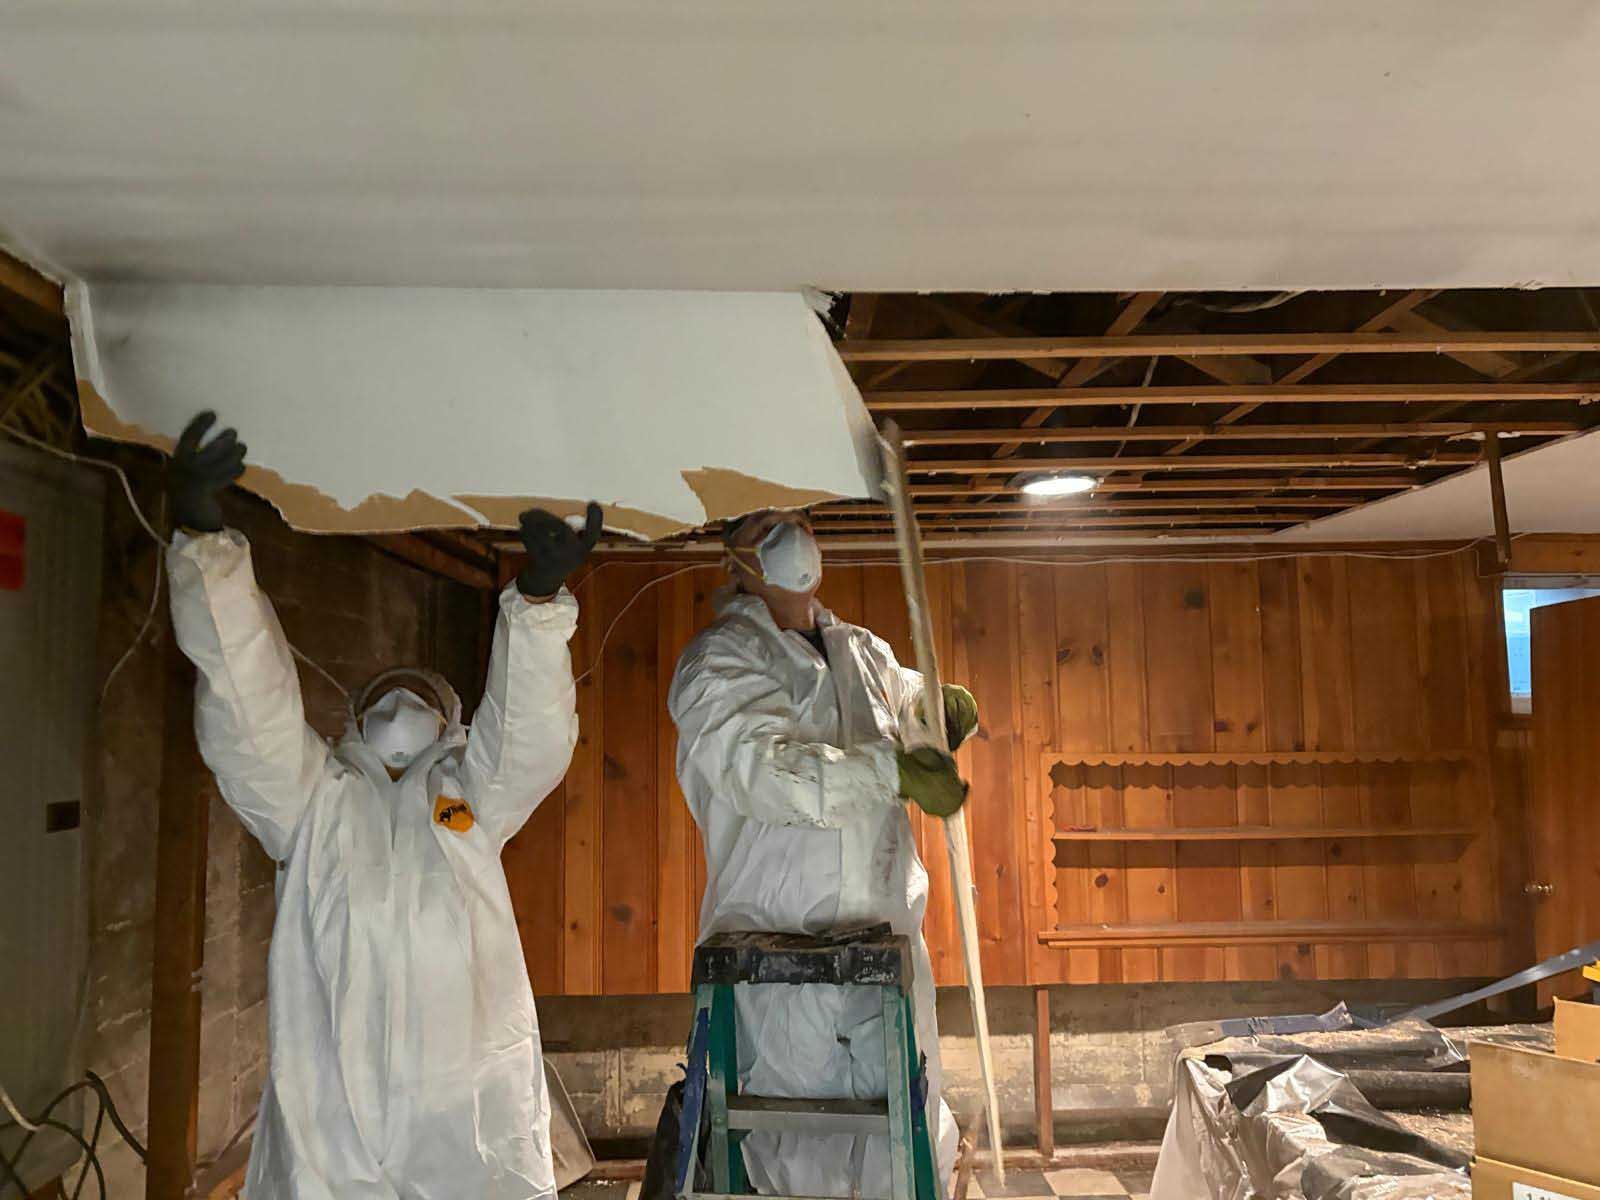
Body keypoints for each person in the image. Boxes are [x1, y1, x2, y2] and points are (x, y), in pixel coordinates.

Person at [163, 412, 600, 1200]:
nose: (404, 705)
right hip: (334, 1133)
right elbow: (247, 705)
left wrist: (538, 604)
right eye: (386, 696)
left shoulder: (471, 804)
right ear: (353, 723)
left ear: (453, 726)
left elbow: (529, 737)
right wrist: (205, 545)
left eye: (423, 696)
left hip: (467, 1126)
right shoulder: (312, 803)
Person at [667, 508, 979, 1200]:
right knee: (794, 1137)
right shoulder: (716, 662)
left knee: (902, 1134)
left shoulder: (864, 651)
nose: (788, 534)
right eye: (762, 524)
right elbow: (768, 772)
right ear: (732, 555)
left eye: (798, 518)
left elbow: (904, 703)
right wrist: (890, 772)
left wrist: (934, 707)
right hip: (778, 948)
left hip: (886, 940)